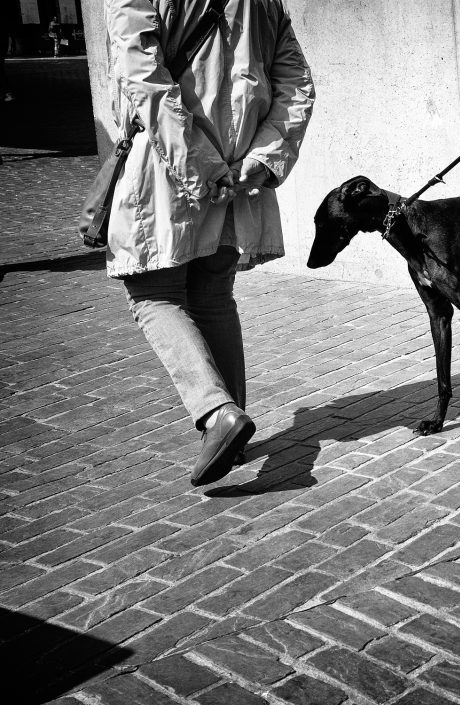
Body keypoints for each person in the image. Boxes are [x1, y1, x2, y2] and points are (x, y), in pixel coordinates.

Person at [105, 0, 314, 487]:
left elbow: (143, 80)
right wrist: (264, 156)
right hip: (238, 167)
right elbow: (296, 84)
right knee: (212, 295)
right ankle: (231, 433)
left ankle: (218, 414)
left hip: (166, 165)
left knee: (152, 293)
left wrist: (200, 165)